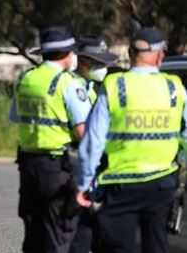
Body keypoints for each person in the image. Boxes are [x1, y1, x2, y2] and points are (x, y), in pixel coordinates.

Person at [76, 27, 187, 253]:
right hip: (162, 183)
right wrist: (181, 161)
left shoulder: (116, 85)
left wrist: (84, 183)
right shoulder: (174, 87)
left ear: (130, 53)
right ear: (160, 56)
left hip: (121, 185)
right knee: (156, 245)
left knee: (118, 246)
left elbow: (93, 141)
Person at [11, 26, 91, 253]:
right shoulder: (68, 83)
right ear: (66, 53)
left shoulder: (25, 79)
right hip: (58, 168)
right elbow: (82, 131)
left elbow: (16, 117)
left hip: (28, 167)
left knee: (33, 235)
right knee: (58, 235)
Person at [68, 36, 118, 253]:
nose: (103, 69)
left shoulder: (91, 87)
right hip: (77, 162)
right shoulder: (73, 86)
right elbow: (84, 133)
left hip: (93, 163)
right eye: (99, 64)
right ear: (83, 61)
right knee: (81, 232)